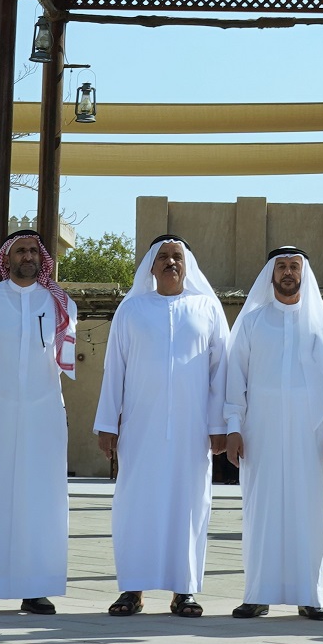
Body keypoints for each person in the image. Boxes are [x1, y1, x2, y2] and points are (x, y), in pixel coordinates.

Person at [94, 235, 229, 618]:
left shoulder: (207, 308)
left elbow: (222, 371)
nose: (171, 262)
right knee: (135, 505)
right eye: (163, 257)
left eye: (177, 257)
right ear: (151, 267)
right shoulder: (132, 310)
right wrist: (108, 423)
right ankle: (131, 590)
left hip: (192, 430)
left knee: (189, 505)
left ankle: (184, 590)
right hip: (140, 428)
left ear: (188, 265)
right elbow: (113, 370)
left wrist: (219, 424)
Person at [0, 229, 78, 616]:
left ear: (43, 259)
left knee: (39, 499)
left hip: (42, 415)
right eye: (20, 250)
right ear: (6, 258)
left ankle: (34, 588)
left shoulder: (58, 303)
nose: (27, 256)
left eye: (33, 251)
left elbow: (62, 357)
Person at [223, 246, 323, 621]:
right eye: (282, 267)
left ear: (303, 274)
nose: (288, 273)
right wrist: (232, 428)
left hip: (311, 435)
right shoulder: (253, 321)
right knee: (261, 509)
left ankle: (310, 596)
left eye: (294, 266)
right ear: (271, 275)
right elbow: (235, 379)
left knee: (311, 510)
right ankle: (257, 593)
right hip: (261, 430)